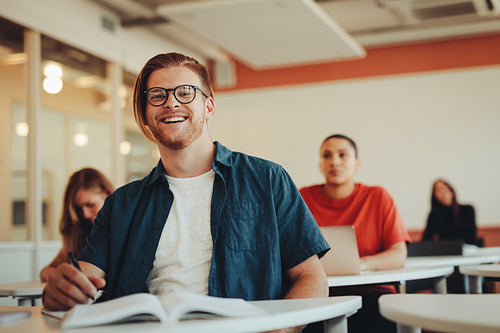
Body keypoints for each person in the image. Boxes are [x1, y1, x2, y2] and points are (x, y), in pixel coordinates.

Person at [42, 52, 329, 332]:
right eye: (157, 95)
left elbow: (312, 278)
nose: (170, 103)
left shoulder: (267, 179)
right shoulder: (121, 204)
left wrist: (279, 331)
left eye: (185, 92)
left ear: (209, 106)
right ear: (144, 113)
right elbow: (83, 283)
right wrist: (61, 292)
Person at [300, 134, 411, 333]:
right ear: (320, 164)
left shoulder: (378, 197)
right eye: (327, 155)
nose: (334, 161)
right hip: (317, 295)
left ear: (356, 163)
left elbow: (398, 254)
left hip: (372, 293)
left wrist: (362, 264)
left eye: (343, 155)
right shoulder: (302, 197)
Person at [39, 168, 114, 282]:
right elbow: (45, 271)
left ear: (106, 194)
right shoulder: (82, 234)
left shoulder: (126, 226)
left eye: (90, 205)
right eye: (79, 209)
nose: (85, 214)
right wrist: (59, 275)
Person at [422, 179, 481, 246]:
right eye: (438, 190)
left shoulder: (467, 210)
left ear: (451, 191)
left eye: (444, 188)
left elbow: (470, 236)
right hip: (446, 251)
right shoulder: (434, 215)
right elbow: (426, 239)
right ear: (435, 196)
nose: (442, 192)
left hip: (467, 248)